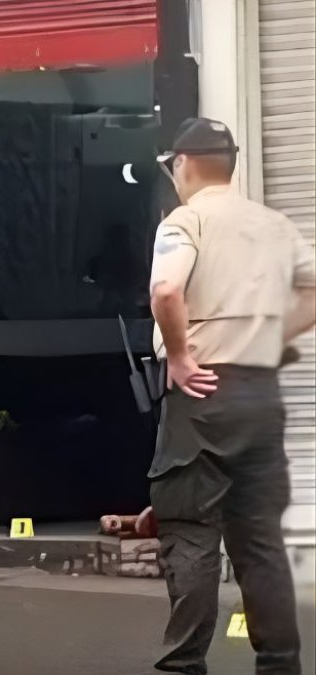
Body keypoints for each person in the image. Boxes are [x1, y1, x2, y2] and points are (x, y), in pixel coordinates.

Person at [148, 117, 314, 675]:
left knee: (192, 532)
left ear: (185, 164)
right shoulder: (271, 225)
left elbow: (167, 288)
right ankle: (280, 665)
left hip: (204, 394)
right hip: (259, 395)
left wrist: (178, 355)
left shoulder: (184, 220)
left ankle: (184, 666)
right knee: (260, 540)